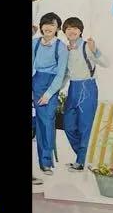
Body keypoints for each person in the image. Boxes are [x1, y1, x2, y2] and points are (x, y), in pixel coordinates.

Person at [61, 16, 106, 171]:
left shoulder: (87, 46)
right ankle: (85, 157)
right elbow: (66, 74)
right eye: (68, 28)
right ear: (64, 32)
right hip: (73, 88)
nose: (72, 31)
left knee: (85, 127)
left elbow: (106, 63)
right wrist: (54, 90)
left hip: (87, 88)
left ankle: (80, 161)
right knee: (68, 125)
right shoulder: (66, 50)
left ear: (80, 31)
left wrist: (95, 51)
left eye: (75, 28)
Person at [32, 13, 66, 175]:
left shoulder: (61, 47)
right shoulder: (35, 43)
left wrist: (49, 94)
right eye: (45, 24)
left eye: (52, 24)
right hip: (36, 81)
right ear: (41, 26)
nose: (48, 27)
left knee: (47, 122)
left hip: (51, 84)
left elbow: (61, 74)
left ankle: (46, 162)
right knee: (38, 121)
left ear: (57, 27)